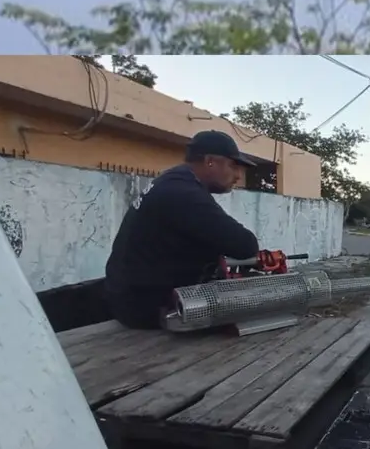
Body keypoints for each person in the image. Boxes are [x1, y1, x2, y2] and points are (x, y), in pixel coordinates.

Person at [104, 130, 261, 329]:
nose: (238, 176)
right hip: (148, 308)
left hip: (132, 299)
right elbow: (245, 245)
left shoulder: (173, 181)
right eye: (233, 166)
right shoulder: (183, 192)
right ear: (210, 161)